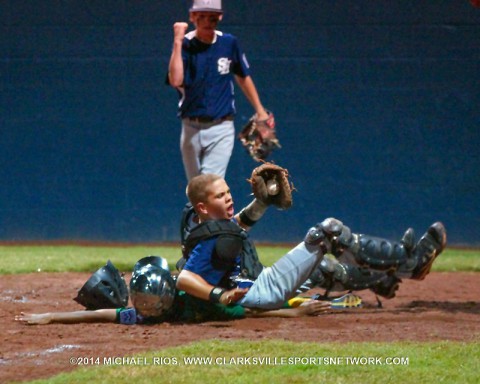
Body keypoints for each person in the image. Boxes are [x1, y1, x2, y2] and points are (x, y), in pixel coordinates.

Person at [175, 172, 447, 309]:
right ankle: (408, 263)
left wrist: (261, 202)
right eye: (220, 196)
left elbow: (236, 228)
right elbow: (184, 278)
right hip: (258, 292)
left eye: (228, 192)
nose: (229, 197)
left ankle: (383, 278)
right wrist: (219, 296)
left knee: (324, 268)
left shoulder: (211, 227)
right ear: (202, 207)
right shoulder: (210, 237)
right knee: (326, 233)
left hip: (256, 287)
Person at [15, 256, 331, 326]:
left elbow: (254, 309)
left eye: (147, 304)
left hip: (242, 285)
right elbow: (101, 314)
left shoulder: (203, 305)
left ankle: (332, 276)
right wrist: (49, 317)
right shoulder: (148, 314)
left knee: (290, 286)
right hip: (230, 289)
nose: (142, 309)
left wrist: (296, 310)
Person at [167, 0, 270, 180]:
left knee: (209, 185)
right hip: (190, 126)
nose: (207, 22)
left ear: (220, 17)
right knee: (196, 191)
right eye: (201, 17)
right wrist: (177, 41)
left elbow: (243, 76)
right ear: (192, 17)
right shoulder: (185, 44)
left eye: (212, 18)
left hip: (221, 126)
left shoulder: (228, 43)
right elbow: (175, 80)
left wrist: (260, 111)